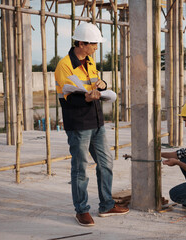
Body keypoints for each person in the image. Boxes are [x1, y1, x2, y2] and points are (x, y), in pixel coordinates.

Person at [54, 22, 129, 227]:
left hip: (96, 121)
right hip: (78, 124)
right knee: (80, 169)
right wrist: (87, 98)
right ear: (81, 43)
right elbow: (67, 97)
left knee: (106, 164)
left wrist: (102, 85)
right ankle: (82, 210)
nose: (96, 47)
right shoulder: (65, 66)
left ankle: (106, 204)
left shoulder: (90, 61)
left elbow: (94, 82)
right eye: (93, 44)